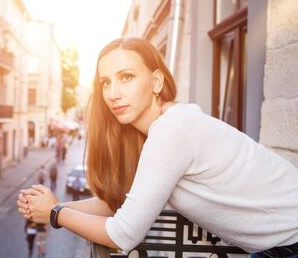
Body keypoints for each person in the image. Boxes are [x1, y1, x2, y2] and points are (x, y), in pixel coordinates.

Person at [17, 37, 298, 258]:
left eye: (126, 77)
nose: (113, 93)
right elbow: (118, 204)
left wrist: (56, 214)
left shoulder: (171, 130)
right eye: (105, 82)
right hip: (274, 248)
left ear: (156, 81)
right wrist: (56, 204)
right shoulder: (163, 128)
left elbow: (123, 234)